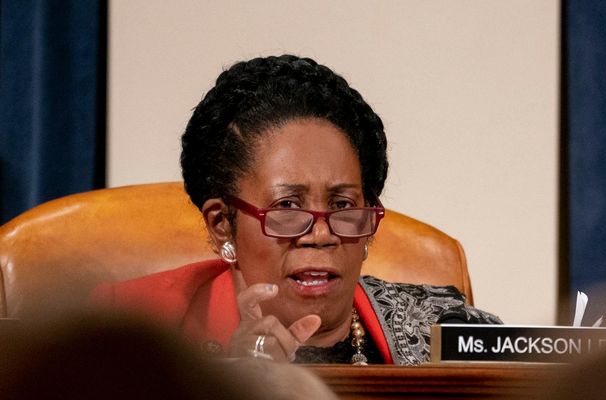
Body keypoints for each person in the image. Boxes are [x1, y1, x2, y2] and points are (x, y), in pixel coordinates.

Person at [91, 55, 501, 366]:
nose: (320, 234)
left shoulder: (446, 334)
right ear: (222, 226)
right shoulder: (123, 334)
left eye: (342, 205)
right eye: (287, 206)